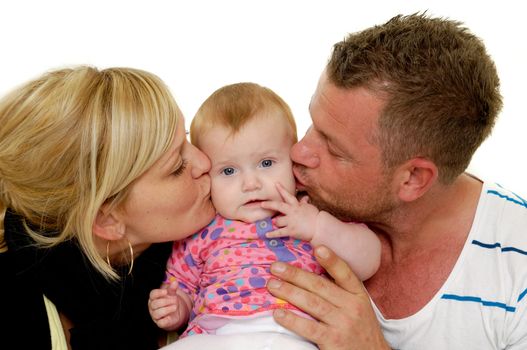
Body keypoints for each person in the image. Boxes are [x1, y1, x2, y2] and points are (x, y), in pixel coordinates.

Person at [260, 12, 527, 350]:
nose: (298, 152)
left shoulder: (516, 279)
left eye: (333, 148)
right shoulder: (293, 197)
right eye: (313, 125)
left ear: (413, 178)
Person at [148, 82, 381, 349]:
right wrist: (176, 308)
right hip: (215, 333)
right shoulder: (201, 229)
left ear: (293, 163)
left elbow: (369, 260)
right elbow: (183, 287)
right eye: (228, 171)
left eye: (266, 163)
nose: (251, 183)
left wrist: (316, 228)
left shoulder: (312, 211)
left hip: (295, 333)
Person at [0, 66, 216, 349]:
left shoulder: (237, 244)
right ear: (107, 219)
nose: (205, 162)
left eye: (186, 138)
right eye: (176, 166)